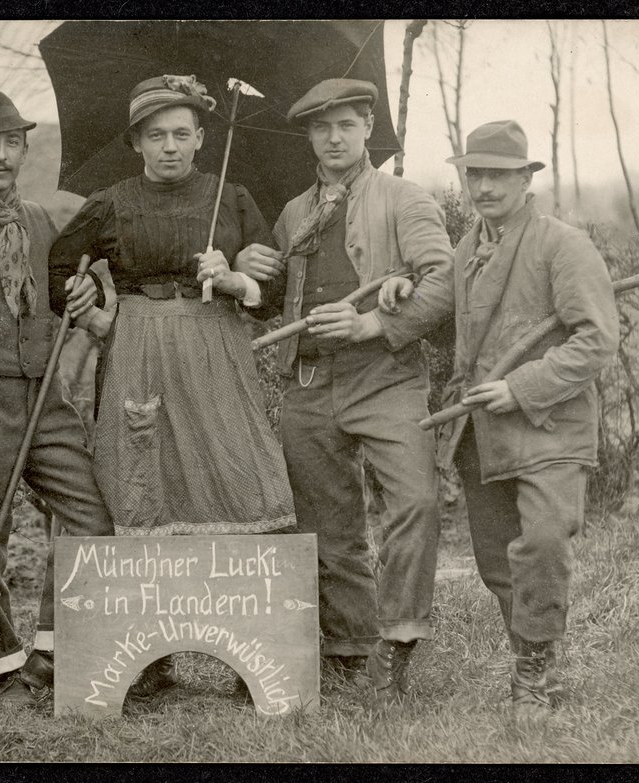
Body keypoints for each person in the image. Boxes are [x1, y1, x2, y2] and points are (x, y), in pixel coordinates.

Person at [48, 74, 296, 698]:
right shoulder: (109, 203)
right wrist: (92, 309)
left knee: (237, 474)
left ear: (202, 138)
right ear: (136, 141)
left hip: (217, 347)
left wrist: (235, 277)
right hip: (138, 350)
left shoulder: (231, 199)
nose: (170, 147)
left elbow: (273, 292)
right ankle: (141, 656)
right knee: (140, 481)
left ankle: (251, 651)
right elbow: (59, 268)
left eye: (182, 134)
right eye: (156, 135)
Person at [242, 78, 454, 708]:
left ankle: (401, 643)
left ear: (368, 128)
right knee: (326, 524)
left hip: (385, 379)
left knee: (414, 503)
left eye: (346, 125)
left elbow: (442, 281)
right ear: (308, 135)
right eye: (320, 127)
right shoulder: (292, 214)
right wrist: (250, 276)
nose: (333, 138)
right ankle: (347, 649)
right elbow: (280, 308)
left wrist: (373, 324)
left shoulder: (404, 198)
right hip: (308, 383)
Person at [0, 90, 114, 707]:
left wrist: (84, 293)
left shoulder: (41, 221)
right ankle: (5, 667)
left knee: (90, 513)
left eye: (12, 143)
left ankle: (53, 652)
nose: (1, 156)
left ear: (25, 148)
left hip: (46, 397)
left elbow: (70, 293)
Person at [439, 120, 619, 719]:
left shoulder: (561, 245)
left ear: (524, 178)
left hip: (551, 429)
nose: (484, 187)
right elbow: (450, 319)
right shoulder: (467, 249)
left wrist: (519, 387)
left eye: (498, 174)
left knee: (541, 544)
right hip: (484, 435)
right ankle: (531, 656)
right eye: (475, 174)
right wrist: (395, 294)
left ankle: (531, 680)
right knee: (497, 562)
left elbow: (595, 342)